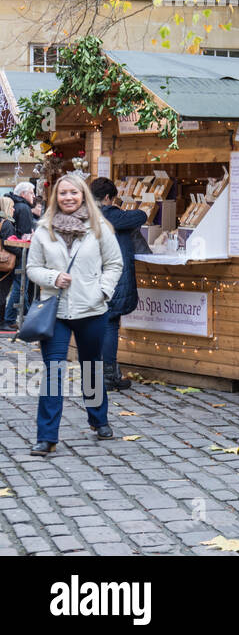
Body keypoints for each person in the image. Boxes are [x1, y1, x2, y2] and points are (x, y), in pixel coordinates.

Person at [26, 173, 123, 456]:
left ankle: (98, 418)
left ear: (83, 196)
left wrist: (102, 292)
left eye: (74, 193)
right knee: (53, 371)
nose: (68, 197)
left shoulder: (99, 227)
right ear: (56, 197)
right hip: (55, 312)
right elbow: (33, 268)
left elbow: (114, 264)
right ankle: (46, 437)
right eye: (63, 193)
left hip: (91, 309)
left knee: (91, 366)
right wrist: (53, 277)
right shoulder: (44, 230)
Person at [88, 179, 146, 393]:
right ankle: (108, 376)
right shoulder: (111, 215)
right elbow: (142, 215)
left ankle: (98, 375)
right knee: (111, 323)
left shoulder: (83, 213)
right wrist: (117, 208)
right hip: (109, 278)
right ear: (107, 198)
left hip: (90, 277)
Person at [3, 180, 37, 328]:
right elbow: (24, 234)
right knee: (21, 284)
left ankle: (25, 315)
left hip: (15, 251)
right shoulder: (23, 208)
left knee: (20, 284)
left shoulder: (16, 205)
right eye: (32, 193)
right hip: (20, 251)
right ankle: (10, 318)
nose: (34, 196)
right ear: (23, 194)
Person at [0, 197, 20, 334]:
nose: (13, 210)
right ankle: (1, 322)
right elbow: (9, 244)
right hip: (4, 263)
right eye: (11, 207)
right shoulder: (6, 224)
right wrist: (22, 250)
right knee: (2, 294)